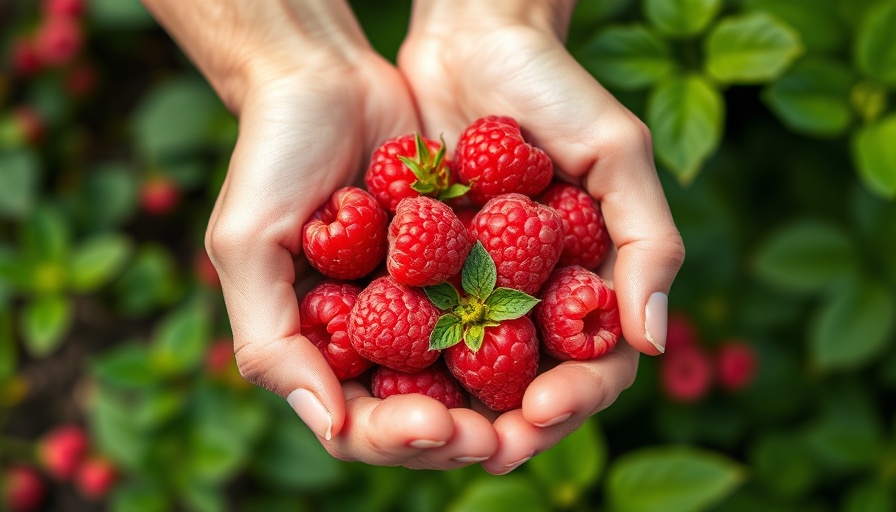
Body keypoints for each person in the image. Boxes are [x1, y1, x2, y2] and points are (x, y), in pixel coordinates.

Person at [141, 0, 685, 474]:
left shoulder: (466, 250)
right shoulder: (435, 252)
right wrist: (292, 66)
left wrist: (491, 18)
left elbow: (451, 251)